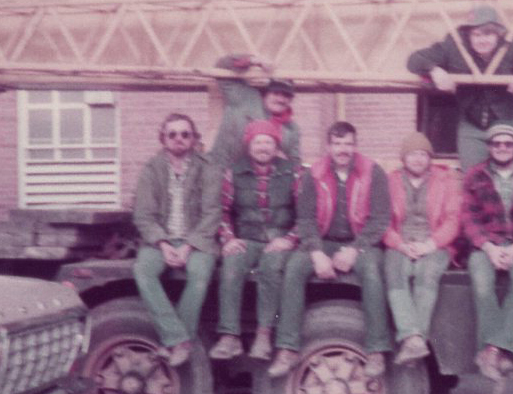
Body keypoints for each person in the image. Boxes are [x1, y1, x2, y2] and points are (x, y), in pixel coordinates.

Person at [269, 121, 393, 378]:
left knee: (371, 272)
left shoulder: (374, 172)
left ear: (355, 145)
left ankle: (377, 351)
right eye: (337, 144)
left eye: (348, 143)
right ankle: (287, 348)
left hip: (361, 241)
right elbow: (305, 219)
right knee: (294, 268)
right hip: (323, 240)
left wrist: (354, 250)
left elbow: (380, 220)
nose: (343, 149)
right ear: (328, 146)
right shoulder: (313, 173)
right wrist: (315, 252)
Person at [407, 4, 513, 169]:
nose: (482, 40)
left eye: (488, 33)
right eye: (476, 34)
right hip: (470, 125)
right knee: (472, 178)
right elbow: (414, 60)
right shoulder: (454, 46)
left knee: (509, 176)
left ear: (498, 34)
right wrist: (435, 70)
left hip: (507, 121)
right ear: (468, 35)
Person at [460, 122, 513, 382]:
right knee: (482, 285)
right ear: (489, 147)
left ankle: (491, 350)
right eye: (497, 144)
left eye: (508, 144)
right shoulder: (475, 175)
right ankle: (501, 352)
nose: (502, 148)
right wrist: (488, 247)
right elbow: (468, 218)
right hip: (485, 245)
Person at [131, 113, 221, 366]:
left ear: (194, 138)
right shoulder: (151, 169)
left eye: (185, 134)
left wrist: (190, 246)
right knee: (143, 271)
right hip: (160, 241)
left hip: (198, 240)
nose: (179, 139)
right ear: (163, 139)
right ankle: (179, 339)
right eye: (172, 134)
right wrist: (163, 243)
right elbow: (143, 215)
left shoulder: (208, 168)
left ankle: (172, 341)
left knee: (200, 274)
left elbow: (212, 212)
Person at [209, 119, 302, 363]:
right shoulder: (234, 171)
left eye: (269, 142)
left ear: (276, 146)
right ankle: (230, 336)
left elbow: (307, 214)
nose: (263, 147)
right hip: (247, 239)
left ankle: (264, 334)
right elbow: (221, 210)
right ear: (249, 145)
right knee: (231, 265)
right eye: (258, 141)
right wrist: (228, 239)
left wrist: (290, 239)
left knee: (271, 269)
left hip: (278, 240)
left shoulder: (292, 171)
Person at [383, 132, 462, 365]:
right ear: (403, 158)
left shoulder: (445, 180)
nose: (417, 159)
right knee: (394, 272)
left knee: (426, 274)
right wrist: (400, 244)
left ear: (429, 158)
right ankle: (412, 337)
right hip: (402, 242)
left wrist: (430, 245)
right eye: (412, 154)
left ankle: (415, 341)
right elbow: (383, 222)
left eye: (422, 154)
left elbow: (452, 220)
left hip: (434, 242)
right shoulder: (392, 181)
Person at [207, 53, 301, 167]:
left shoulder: (292, 129)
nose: (281, 99)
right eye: (276, 93)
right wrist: (254, 61)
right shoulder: (246, 98)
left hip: (263, 181)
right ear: (266, 93)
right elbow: (221, 67)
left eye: (286, 95)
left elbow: (296, 164)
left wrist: (282, 160)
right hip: (224, 172)